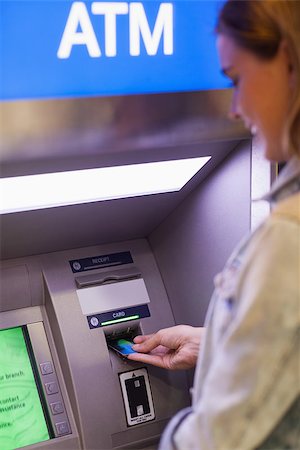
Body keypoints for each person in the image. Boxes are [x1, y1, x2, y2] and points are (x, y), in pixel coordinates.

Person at [127, 1, 300, 449]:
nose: (235, 108)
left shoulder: (289, 236)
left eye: (237, 80)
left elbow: (222, 440)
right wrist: (219, 343)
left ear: (287, 61)